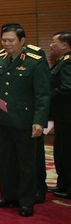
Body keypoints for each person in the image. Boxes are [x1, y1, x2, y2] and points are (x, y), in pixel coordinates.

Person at [0, 24, 50, 217]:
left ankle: (26, 201)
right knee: (6, 161)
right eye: (4, 40)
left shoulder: (35, 61)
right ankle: (8, 196)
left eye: (11, 40)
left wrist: (39, 121)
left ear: (22, 40)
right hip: (3, 119)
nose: (7, 44)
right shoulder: (0, 58)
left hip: (25, 120)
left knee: (26, 163)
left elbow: (43, 95)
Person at [49, 31, 71, 199]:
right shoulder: (61, 61)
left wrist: (47, 96)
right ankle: (63, 183)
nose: (51, 45)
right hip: (62, 116)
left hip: (67, 116)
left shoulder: (67, 62)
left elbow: (67, 87)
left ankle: (68, 187)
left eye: (54, 42)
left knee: (66, 151)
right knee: (61, 150)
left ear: (64, 45)